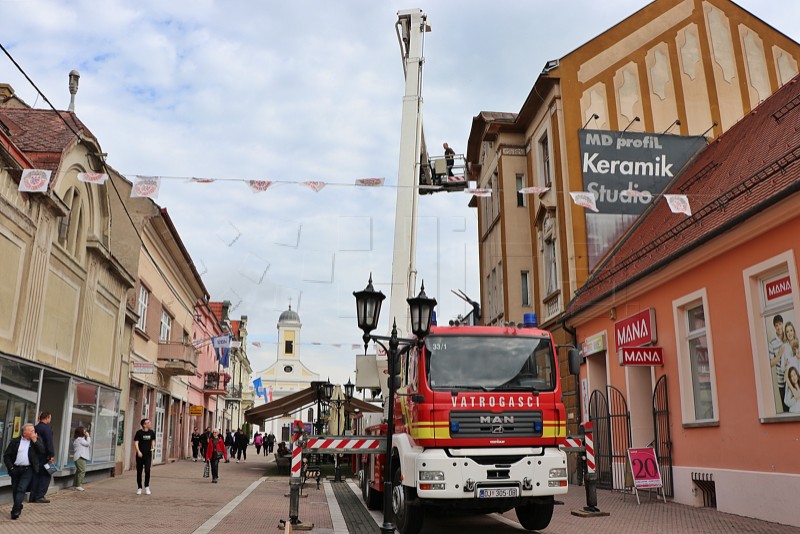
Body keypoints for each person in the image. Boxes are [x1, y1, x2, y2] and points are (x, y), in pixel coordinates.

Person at [3, 423, 44, 520]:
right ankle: (18, 505)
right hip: (15, 469)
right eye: (32, 431)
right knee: (15, 489)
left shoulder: (36, 441)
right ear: (25, 433)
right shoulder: (15, 441)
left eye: (34, 431)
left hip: (28, 469)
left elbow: (42, 451)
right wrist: (11, 468)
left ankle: (15, 510)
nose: (34, 433)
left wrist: (35, 440)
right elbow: (7, 456)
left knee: (21, 489)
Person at [30, 411, 55, 503]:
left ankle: (33, 496)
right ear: (47, 417)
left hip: (35, 455)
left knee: (36, 475)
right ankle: (40, 496)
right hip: (45, 455)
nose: (50, 419)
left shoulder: (35, 427)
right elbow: (49, 442)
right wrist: (51, 455)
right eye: (50, 417)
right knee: (46, 475)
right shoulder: (47, 429)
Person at [769, 314, 788, 412]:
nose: (778, 327)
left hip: (793, 378)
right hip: (781, 381)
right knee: (786, 409)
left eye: (780, 324)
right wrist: (779, 354)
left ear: (782, 324)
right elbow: (771, 363)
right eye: (776, 325)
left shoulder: (789, 335)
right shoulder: (772, 343)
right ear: (774, 327)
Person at [133, 418, 156, 495]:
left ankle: (147, 486)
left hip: (148, 455)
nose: (150, 423)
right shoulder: (139, 433)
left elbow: (153, 440)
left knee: (147, 470)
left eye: (149, 422)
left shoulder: (151, 432)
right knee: (139, 472)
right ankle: (139, 487)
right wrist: (138, 451)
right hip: (140, 455)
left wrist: (153, 446)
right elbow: (136, 443)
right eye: (148, 422)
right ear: (144, 425)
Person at [73, 426, 91, 491]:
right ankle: (78, 485)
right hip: (80, 457)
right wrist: (88, 436)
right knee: (82, 471)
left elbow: (87, 444)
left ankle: (76, 484)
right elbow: (88, 443)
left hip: (79, 457)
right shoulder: (80, 439)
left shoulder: (79, 439)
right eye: (84, 431)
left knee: (78, 471)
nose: (85, 432)